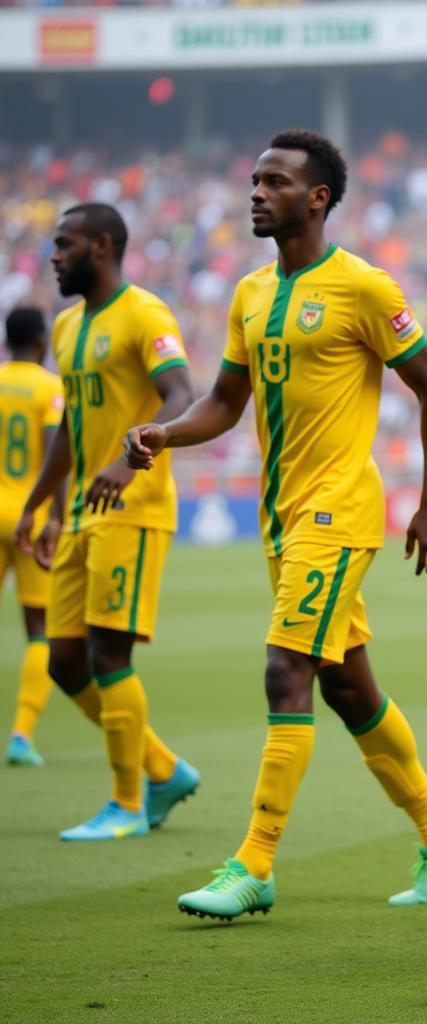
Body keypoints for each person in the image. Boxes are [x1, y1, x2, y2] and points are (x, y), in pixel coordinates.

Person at [124, 129, 427, 921]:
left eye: (274, 181)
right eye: (253, 180)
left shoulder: (362, 286)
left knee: (284, 671)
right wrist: (163, 433)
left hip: (340, 509)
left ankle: (253, 865)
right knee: (350, 688)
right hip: (280, 517)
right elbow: (223, 402)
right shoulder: (251, 293)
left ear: (317, 197)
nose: (256, 192)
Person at [15, 203, 201, 839]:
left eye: (64, 244)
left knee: (107, 653)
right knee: (66, 661)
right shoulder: (66, 328)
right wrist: (40, 502)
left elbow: (181, 393)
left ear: (101, 246)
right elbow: (69, 427)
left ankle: (127, 803)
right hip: (78, 513)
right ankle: (163, 767)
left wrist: (137, 456)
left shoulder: (144, 313)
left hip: (133, 508)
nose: (54, 256)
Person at [2, 308, 63, 766]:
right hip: (30, 517)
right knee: (39, 629)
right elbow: (53, 456)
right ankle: (22, 733)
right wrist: (57, 515)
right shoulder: (48, 387)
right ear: (42, 340)